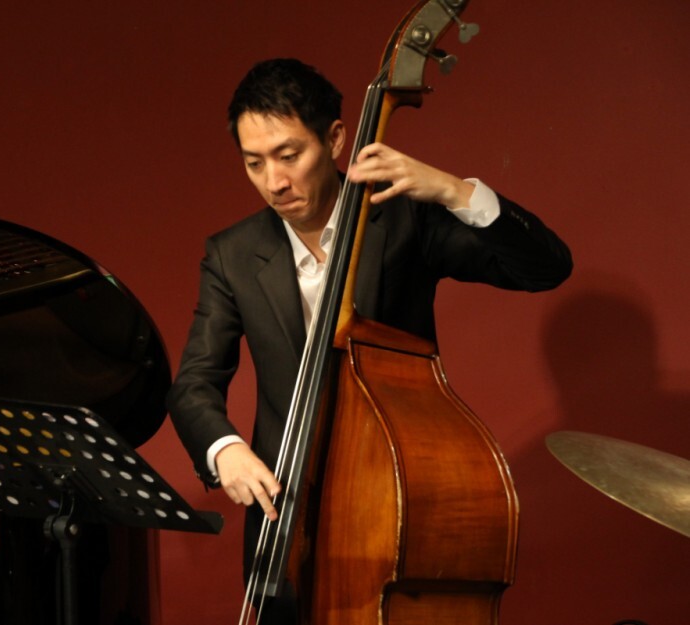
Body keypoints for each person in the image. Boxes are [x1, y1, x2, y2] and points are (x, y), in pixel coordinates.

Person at [166, 57, 572, 622]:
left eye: (289, 155)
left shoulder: (403, 219)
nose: (274, 182)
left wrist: (453, 190)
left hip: (395, 503)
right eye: (254, 163)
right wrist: (224, 449)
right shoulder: (231, 255)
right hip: (287, 522)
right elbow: (193, 385)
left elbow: (544, 268)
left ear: (335, 139)